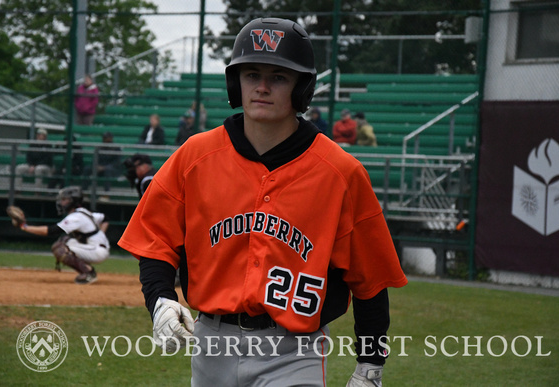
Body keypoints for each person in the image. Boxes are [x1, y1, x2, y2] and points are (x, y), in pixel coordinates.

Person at [118, 18, 406, 387]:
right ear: (235, 82)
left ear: (302, 87)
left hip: (293, 350)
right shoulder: (196, 156)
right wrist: (159, 300)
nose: (263, 87)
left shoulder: (340, 172)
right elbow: (155, 239)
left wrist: (371, 365)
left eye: (279, 77)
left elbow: (371, 280)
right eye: (252, 74)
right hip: (211, 344)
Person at [16, 186, 110, 284]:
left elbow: (51, 231)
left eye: (64, 200)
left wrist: (25, 227)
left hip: (97, 251)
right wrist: (100, 235)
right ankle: (87, 269)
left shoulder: (76, 217)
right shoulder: (83, 211)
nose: (61, 202)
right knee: (64, 241)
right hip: (95, 247)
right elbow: (105, 218)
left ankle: (88, 273)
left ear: (73, 201)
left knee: (60, 249)